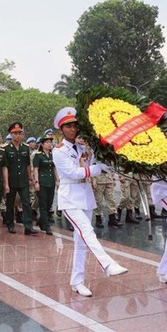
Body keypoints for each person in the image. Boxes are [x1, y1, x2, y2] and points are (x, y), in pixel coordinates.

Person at [52, 107, 128, 297]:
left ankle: (77, 281)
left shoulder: (83, 147)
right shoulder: (59, 151)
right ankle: (107, 264)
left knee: (81, 241)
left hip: (85, 196)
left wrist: (105, 159)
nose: (72, 129)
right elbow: (73, 173)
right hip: (70, 198)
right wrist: (97, 169)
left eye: (74, 125)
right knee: (87, 231)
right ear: (61, 129)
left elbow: (94, 162)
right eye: (67, 126)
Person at [2, 122, 38, 235]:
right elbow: (5, 167)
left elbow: (27, 164)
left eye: (19, 133)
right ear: (11, 134)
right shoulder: (5, 149)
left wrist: (30, 178)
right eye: (15, 133)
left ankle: (28, 227)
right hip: (11, 180)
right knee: (10, 203)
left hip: (23, 179)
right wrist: (6, 183)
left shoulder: (25, 148)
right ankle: (10, 224)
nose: (17, 135)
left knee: (26, 202)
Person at [32, 135, 58, 235]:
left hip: (51, 182)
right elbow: (36, 169)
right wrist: (36, 182)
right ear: (42, 144)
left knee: (49, 203)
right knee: (43, 204)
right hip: (42, 182)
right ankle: (46, 226)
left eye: (50, 142)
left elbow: (54, 168)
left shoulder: (53, 155)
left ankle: (41, 221)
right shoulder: (38, 155)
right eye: (47, 142)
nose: (49, 144)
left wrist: (57, 180)